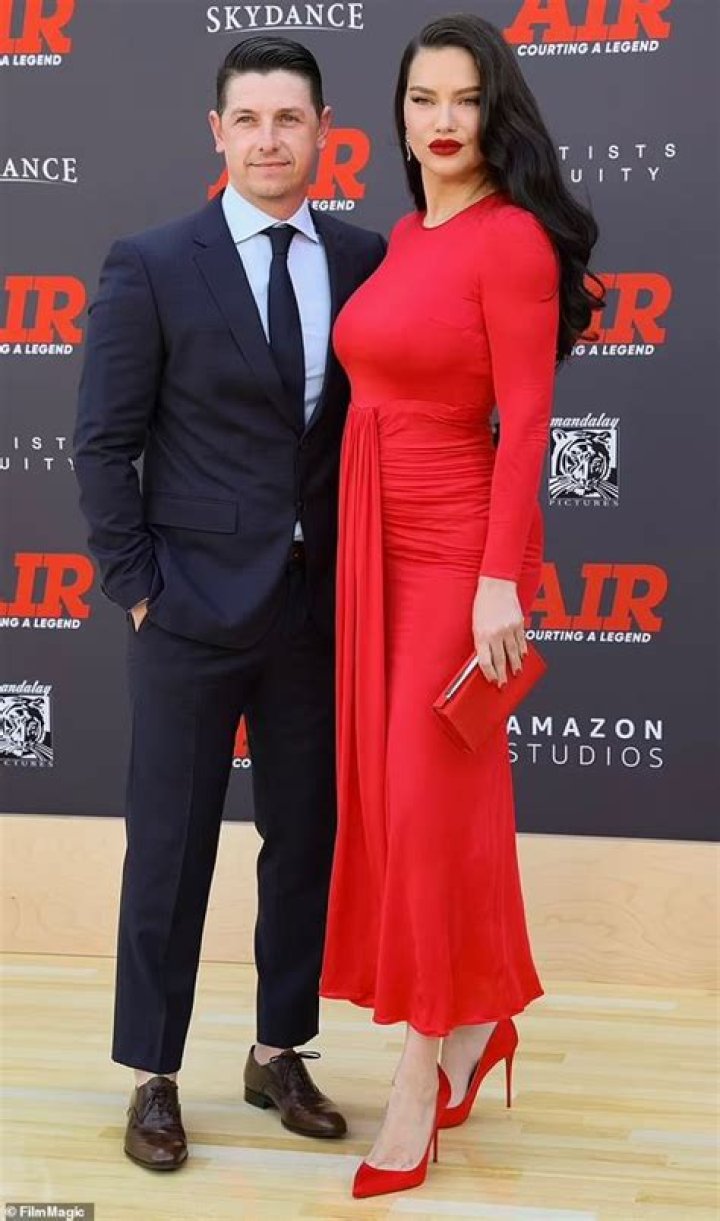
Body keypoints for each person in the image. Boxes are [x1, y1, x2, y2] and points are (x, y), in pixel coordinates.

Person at [74, 36, 385, 1171]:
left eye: (288, 118)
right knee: (170, 848)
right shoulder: (153, 262)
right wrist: (138, 590)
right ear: (217, 132)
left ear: (324, 130)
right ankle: (153, 1077)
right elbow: (102, 444)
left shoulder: (364, 258)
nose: (268, 139)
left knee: (303, 841)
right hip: (189, 612)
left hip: (314, 612)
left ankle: (277, 1051)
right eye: (247, 119)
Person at [319, 13, 602, 1199]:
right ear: (399, 114)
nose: (443, 120)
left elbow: (527, 421)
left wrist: (500, 583)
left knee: (431, 808)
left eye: (466, 99)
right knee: (405, 806)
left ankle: (420, 1070)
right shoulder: (404, 238)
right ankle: (481, 1026)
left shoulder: (511, 239)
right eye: (423, 98)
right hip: (370, 550)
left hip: (451, 559)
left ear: (497, 112)